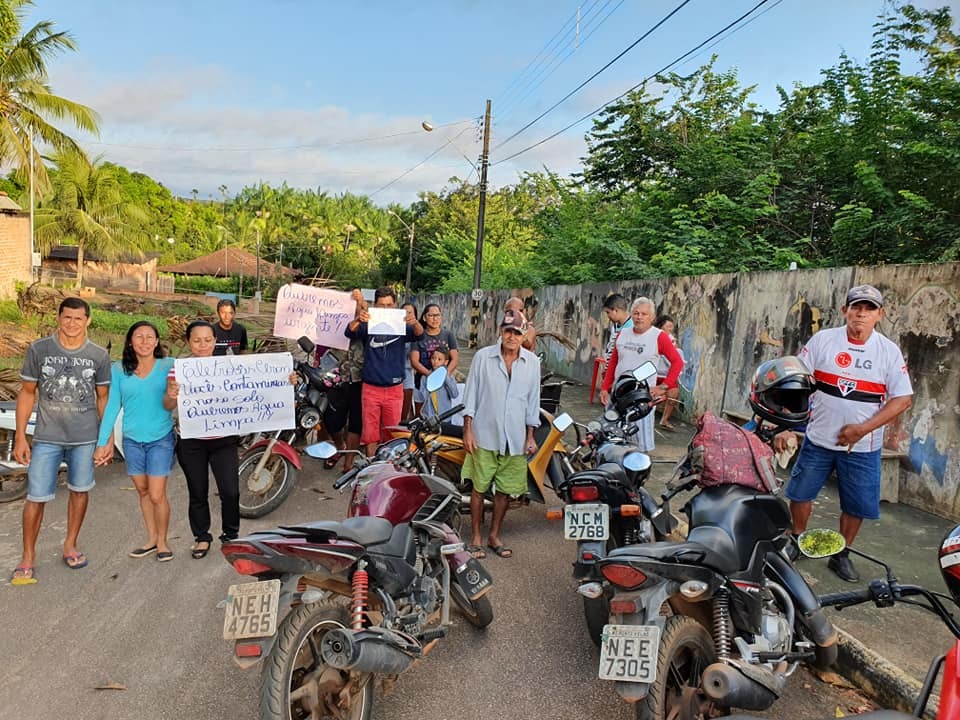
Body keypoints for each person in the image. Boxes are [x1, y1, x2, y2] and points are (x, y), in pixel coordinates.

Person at [776, 284, 913, 582]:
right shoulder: (824, 340)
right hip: (818, 439)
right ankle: (797, 539)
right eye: (856, 307)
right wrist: (786, 426)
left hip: (863, 448)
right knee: (800, 493)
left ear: (880, 315)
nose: (861, 314)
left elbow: (903, 399)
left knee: (856, 504)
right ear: (845, 311)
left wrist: (862, 429)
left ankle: (841, 554)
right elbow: (795, 380)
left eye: (869, 309)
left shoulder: (888, 352)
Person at [10, 297, 111, 585]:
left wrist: (105, 439)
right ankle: (28, 556)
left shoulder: (98, 356)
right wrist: (21, 437)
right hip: (47, 437)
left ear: (88, 321)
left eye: (78, 319)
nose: (72, 323)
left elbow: (103, 399)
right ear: (58, 317)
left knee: (80, 491)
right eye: (67, 317)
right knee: (36, 497)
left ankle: (70, 544)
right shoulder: (39, 349)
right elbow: (27, 392)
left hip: (84, 438)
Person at [94, 321, 176, 561]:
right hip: (131, 440)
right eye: (139, 337)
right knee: (142, 491)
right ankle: (151, 538)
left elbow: (203, 373)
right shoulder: (119, 370)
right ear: (130, 342)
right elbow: (112, 406)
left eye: (150, 337)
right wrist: (102, 441)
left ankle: (163, 542)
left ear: (157, 341)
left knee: (157, 494)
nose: (144, 341)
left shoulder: (168, 366)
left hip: (160, 438)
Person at [462, 310, 541, 560]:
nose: (511, 336)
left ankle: (494, 535)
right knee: (479, 487)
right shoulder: (483, 357)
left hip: (515, 438)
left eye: (517, 332)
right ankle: (475, 536)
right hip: (484, 434)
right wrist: (468, 430)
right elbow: (471, 395)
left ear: (523, 335)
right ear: (500, 331)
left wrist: (531, 436)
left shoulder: (532, 363)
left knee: (504, 491)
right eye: (508, 331)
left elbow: (532, 402)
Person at [164, 320, 241, 559]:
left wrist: (286, 381)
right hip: (191, 442)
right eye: (196, 340)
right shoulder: (179, 369)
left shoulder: (230, 367)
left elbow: (254, 391)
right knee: (197, 491)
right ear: (188, 342)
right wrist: (171, 395)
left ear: (215, 340)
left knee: (230, 491)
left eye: (207, 340)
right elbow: (167, 405)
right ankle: (202, 537)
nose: (202, 345)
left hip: (224, 439)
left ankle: (231, 534)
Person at [345, 286, 423, 456]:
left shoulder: (402, 325)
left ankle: (387, 468)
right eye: (381, 305)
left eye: (389, 305)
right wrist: (359, 318)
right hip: (370, 388)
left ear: (395, 305)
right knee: (370, 434)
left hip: (395, 389)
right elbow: (349, 332)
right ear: (375, 305)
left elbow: (419, 335)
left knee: (392, 433)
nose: (385, 309)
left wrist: (415, 322)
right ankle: (371, 468)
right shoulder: (368, 324)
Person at [599, 297, 683, 451]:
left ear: (652, 317)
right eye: (636, 313)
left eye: (644, 314)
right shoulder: (622, 334)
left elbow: (677, 362)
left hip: (640, 399)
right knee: (611, 437)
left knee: (639, 445)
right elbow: (613, 363)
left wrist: (664, 387)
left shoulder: (658, 336)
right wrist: (605, 388)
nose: (639, 317)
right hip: (618, 395)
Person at [410, 303, 459, 414]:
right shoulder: (419, 335)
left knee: (442, 415)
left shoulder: (448, 335)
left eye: (437, 315)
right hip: (422, 381)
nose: (435, 319)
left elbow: (454, 359)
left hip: (443, 385)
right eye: (431, 315)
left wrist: (443, 376)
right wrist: (431, 376)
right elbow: (414, 361)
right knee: (422, 414)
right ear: (424, 317)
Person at [653, 314, 684, 431]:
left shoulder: (671, 339)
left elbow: (676, 360)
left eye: (672, 327)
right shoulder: (653, 336)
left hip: (666, 374)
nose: (671, 329)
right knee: (650, 395)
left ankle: (664, 419)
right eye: (668, 326)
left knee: (674, 393)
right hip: (654, 373)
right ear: (661, 327)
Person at [414, 343, 460, 420]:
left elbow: (454, 394)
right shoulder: (425, 377)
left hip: (445, 417)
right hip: (428, 417)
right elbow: (422, 397)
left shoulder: (449, 377)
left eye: (439, 359)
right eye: (433, 358)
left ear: (446, 362)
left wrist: (445, 377)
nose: (435, 361)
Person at [602, 293, 632, 361]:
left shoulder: (631, 327)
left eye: (608, 312)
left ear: (616, 310)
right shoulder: (615, 325)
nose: (608, 316)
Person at [401, 302, 418, 422]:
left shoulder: (416, 333)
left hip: (407, 373)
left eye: (410, 313)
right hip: (392, 374)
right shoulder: (392, 330)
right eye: (404, 313)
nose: (407, 315)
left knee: (404, 410)